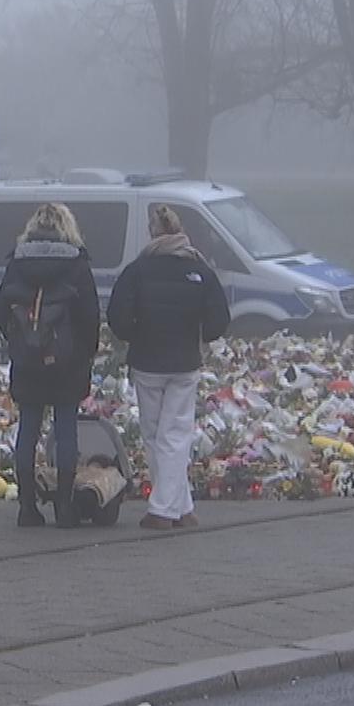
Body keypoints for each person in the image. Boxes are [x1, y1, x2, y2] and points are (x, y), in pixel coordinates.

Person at [106, 204, 231, 530]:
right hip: (185, 361)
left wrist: (136, 335)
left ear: (152, 234)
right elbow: (219, 319)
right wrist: (199, 335)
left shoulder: (138, 270)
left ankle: (162, 510)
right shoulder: (200, 269)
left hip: (148, 361)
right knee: (175, 434)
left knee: (154, 433)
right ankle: (181, 507)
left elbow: (117, 316)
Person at [0, 203, 102, 528]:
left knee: (27, 429)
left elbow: (0, 309)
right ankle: (65, 508)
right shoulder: (77, 264)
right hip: (67, 363)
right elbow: (90, 316)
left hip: (27, 361)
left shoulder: (17, 263)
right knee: (66, 430)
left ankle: (27, 507)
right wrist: (83, 353)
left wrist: (20, 341)